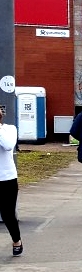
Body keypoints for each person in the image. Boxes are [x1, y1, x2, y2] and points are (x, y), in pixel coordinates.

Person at [0, 107, 21, 256]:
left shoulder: (9, 129)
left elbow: (8, 146)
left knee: (7, 213)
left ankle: (16, 240)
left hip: (6, 178)